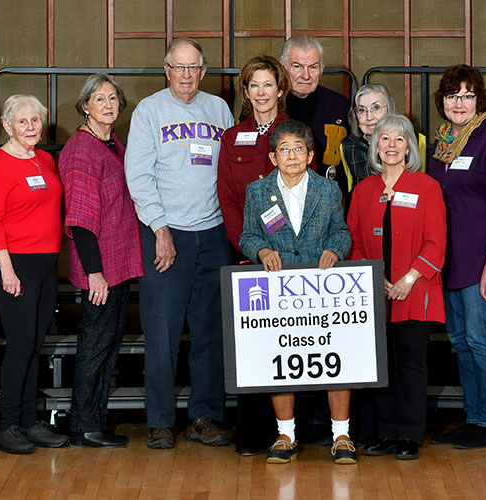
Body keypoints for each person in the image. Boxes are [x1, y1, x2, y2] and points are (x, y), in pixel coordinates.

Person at [125, 38, 234, 449]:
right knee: (162, 331)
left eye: (194, 68)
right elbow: (138, 175)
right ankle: (160, 421)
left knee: (209, 330)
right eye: (179, 67)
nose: (186, 75)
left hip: (213, 232)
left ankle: (204, 416)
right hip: (165, 234)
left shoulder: (218, 110)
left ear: (203, 72)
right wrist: (160, 228)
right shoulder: (149, 111)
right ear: (166, 70)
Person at [239, 119, 354, 464]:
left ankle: (342, 435)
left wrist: (335, 249)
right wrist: (261, 251)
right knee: (281, 359)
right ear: (273, 157)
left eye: (298, 148)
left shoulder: (329, 190)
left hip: (321, 290)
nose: (291, 155)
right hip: (278, 292)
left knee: (335, 358)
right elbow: (247, 236)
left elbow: (342, 233)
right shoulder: (256, 192)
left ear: (310, 154)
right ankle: (285, 434)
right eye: (284, 149)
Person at [217, 55, 307, 456]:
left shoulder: (296, 134)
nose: (261, 93)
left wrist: (282, 249)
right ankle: (252, 430)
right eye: (253, 85)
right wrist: (250, 246)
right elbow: (228, 199)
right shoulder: (231, 137)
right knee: (252, 346)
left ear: (281, 90)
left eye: (268, 84)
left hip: (290, 256)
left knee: (288, 343)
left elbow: (304, 193)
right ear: (246, 92)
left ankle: (290, 429)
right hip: (248, 256)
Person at [347, 113, 446, 461]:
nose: (391, 145)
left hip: (415, 291)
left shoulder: (427, 187)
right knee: (381, 366)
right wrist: (373, 277)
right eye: (385, 139)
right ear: (375, 146)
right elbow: (355, 241)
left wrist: (408, 279)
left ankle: (409, 435)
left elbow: (436, 242)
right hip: (375, 292)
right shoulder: (363, 190)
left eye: (399, 139)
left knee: (411, 365)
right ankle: (387, 432)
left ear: (409, 147)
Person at [426, 65, 486, 449]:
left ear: (479, 99)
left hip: (482, 259)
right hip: (449, 259)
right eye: (451, 96)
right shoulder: (441, 142)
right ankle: (473, 417)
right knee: (460, 341)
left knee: (481, 340)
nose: (459, 103)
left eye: (466, 95)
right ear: (442, 102)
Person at [60, 74, 143, 449]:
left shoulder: (113, 144)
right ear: (84, 107)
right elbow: (78, 220)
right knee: (95, 346)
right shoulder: (81, 149)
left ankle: (93, 421)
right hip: (101, 269)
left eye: (113, 98)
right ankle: (84, 426)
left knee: (108, 345)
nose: (108, 104)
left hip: (118, 264)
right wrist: (94, 273)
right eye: (99, 99)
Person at [0, 95, 68, 453]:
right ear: (7, 126)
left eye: (35, 120)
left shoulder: (46, 159)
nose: (30, 127)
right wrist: (6, 269)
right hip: (15, 262)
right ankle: (7, 425)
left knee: (35, 345)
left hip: (47, 264)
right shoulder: (0, 163)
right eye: (22, 121)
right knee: (19, 347)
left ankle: (30, 422)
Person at [281, 35, 350, 194]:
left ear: (322, 68)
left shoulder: (340, 105)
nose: (306, 76)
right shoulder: (268, 104)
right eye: (297, 66)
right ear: (283, 67)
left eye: (313, 67)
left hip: (326, 199)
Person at [340, 84, 428, 196]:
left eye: (376, 108)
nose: (369, 117)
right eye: (362, 110)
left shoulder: (414, 139)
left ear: (389, 108)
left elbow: (421, 183)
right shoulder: (347, 146)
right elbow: (350, 188)